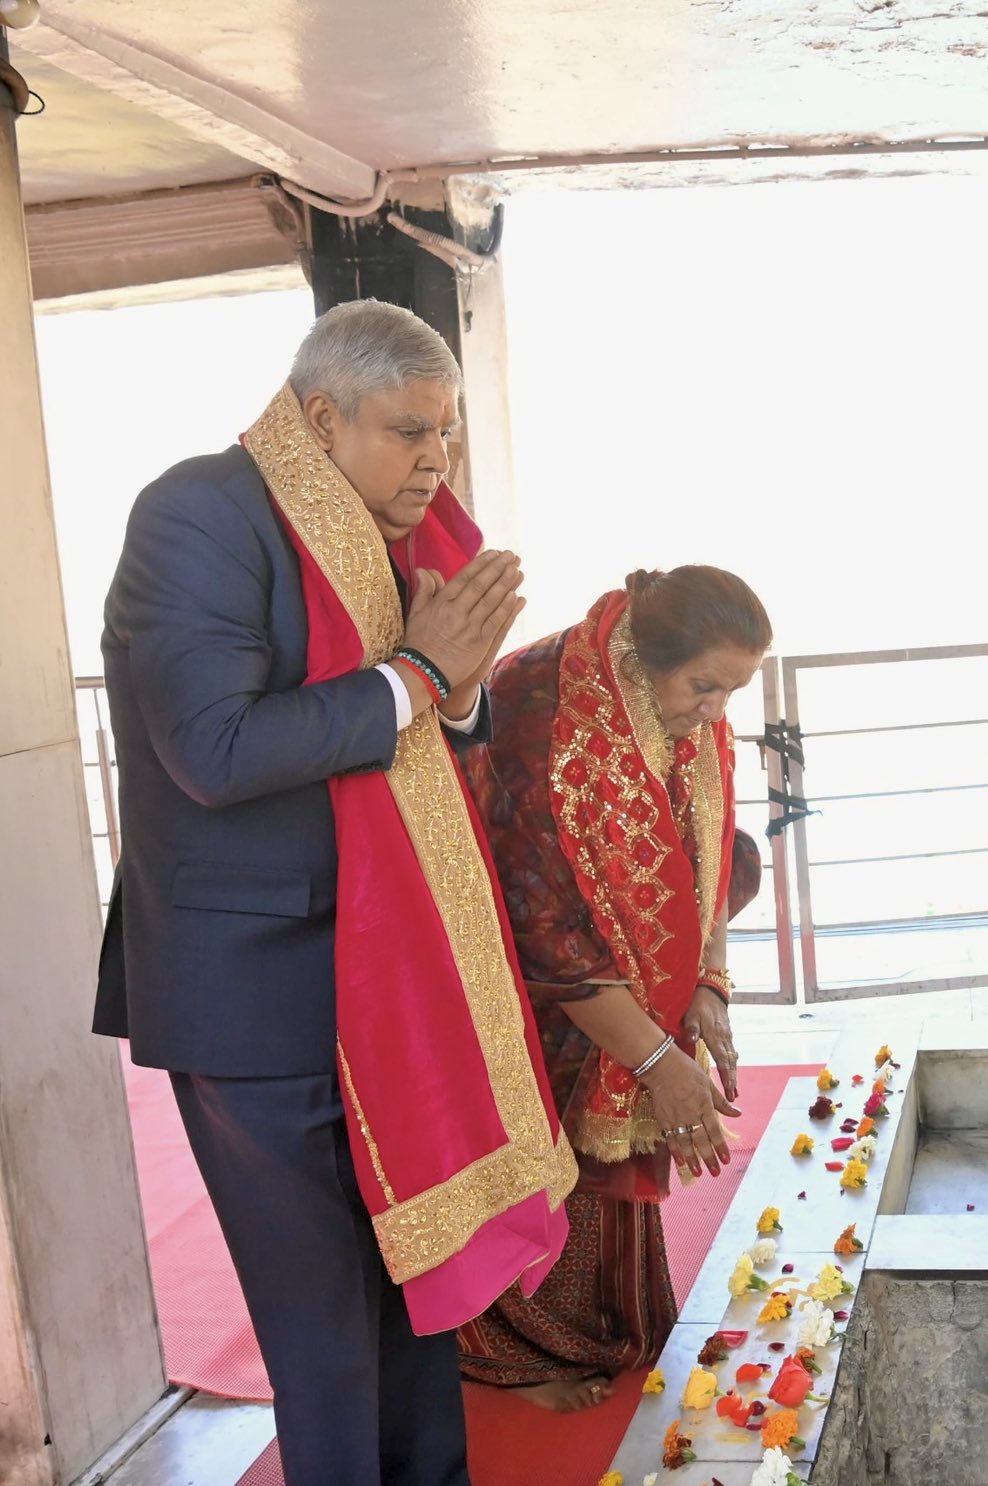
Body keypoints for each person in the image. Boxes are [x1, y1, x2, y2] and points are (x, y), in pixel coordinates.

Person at [94, 300, 578, 1485]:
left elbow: (422, 722)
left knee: (411, 1286)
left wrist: (447, 688)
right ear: (321, 417)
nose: (436, 463)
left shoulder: (385, 532)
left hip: (385, 973)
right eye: (410, 432)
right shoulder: (200, 514)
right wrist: (419, 674)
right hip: (258, 989)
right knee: (322, 1324)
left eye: (449, 437)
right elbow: (213, 751)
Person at [455, 565, 772, 1412]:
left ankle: (606, 1326)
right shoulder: (542, 714)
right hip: (525, 967)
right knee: (550, 1133)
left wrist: (706, 985)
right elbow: (547, 933)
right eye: (705, 687)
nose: (714, 713)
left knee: (618, 1142)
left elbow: (706, 851)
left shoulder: (681, 709)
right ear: (643, 657)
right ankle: (514, 1351)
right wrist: (661, 1056)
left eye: (730, 692)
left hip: (619, 957)